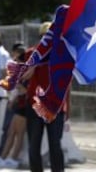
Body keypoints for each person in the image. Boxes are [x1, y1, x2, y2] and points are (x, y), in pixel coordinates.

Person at [25, 22, 67, 172]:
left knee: (55, 144)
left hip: (56, 105)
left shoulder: (62, 54)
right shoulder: (32, 53)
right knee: (34, 144)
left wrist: (68, 106)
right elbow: (25, 75)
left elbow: (67, 82)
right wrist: (36, 62)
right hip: (36, 104)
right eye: (45, 37)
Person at [0, 43, 27, 169]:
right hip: (17, 104)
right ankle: (3, 157)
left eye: (17, 56)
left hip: (23, 105)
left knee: (19, 133)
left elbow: (24, 90)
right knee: (10, 132)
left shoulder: (26, 72)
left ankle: (13, 158)